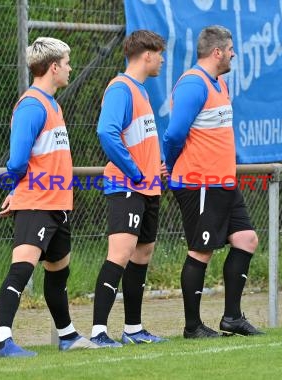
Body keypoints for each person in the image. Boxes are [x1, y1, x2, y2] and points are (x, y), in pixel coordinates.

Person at [0, 37, 98, 357]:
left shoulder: (53, 104)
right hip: (37, 203)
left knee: (58, 272)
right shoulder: (32, 104)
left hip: (57, 204)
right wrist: (17, 190)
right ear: (53, 68)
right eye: (66, 63)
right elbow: (16, 161)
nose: (69, 68)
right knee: (22, 270)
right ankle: (2, 341)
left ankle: (67, 336)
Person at [163, 25, 264, 338]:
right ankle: (192, 327)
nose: (234, 53)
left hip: (223, 181)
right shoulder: (193, 84)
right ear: (217, 52)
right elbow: (174, 133)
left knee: (247, 239)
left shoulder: (219, 82)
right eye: (231, 49)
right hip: (200, 182)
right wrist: (170, 164)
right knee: (200, 251)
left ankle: (232, 318)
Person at [89, 30, 167, 347]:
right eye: (159, 53)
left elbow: (139, 139)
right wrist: (135, 171)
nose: (162, 59)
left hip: (147, 187)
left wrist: (154, 166)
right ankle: (97, 332)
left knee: (142, 254)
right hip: (127, 186)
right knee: (120, 255)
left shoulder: (141, 92)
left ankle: (133, 329)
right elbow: (106, 133)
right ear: (146, 55)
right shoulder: (121, 88)